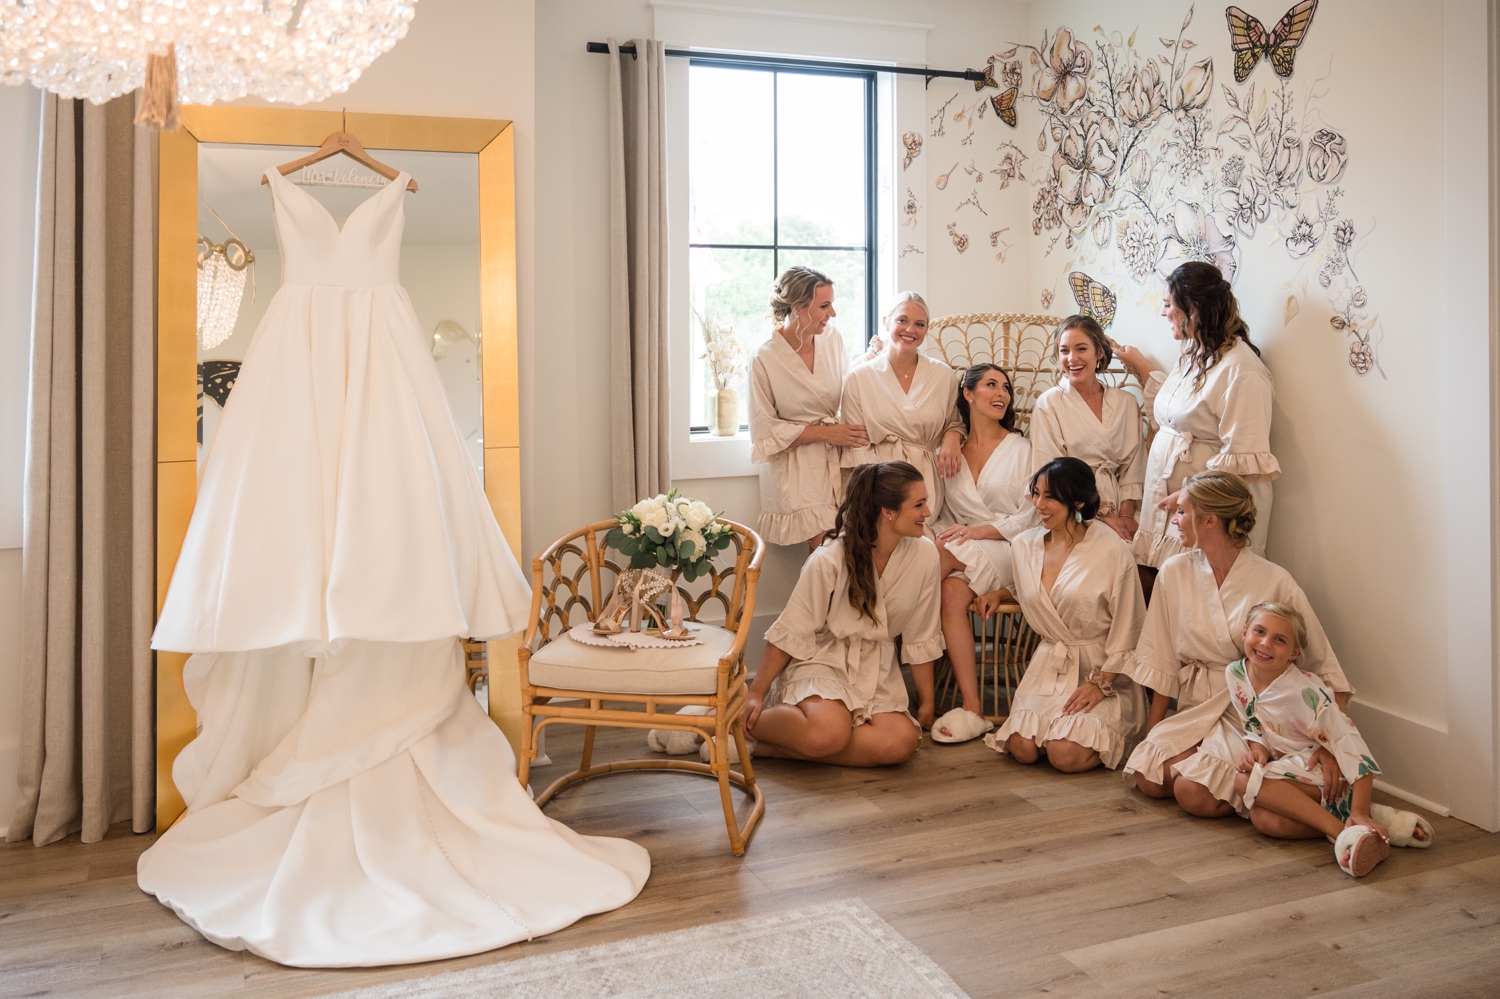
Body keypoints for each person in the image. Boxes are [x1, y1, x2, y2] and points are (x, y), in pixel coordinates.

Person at [138, 167, 648, 966]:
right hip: (304, 363)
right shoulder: (286, 189)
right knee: (311, 504)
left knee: (385, 505)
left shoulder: (390, 191)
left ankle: (374, 720)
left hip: (376, 363)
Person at [1118, 471, 1352, 806]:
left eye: (1182, 511)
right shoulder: (1174, 571)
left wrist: (1332, 748)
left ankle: (1268, 776)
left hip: (1249, 712)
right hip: (1195, 703)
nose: (1175, 519)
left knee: (1192, 793)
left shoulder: (1275, 580)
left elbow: (1324, 668)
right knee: (1150, 777)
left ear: (1209, 520)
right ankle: (1248, 779)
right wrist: (1151, 735)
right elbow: (1162, 660)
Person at [740, 461, 943, 767]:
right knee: (828, 733)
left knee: (901, 742)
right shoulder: (829, 559)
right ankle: (729, 718)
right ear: (888, 511)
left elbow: (921, 633)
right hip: (822, 659)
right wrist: (755, 692)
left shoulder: (926, 555)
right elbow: (793, 629)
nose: (928, 513)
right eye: (919, 504)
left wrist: (927, 702)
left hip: (876, 670)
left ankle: (755, 746)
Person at [1224, 603, 1433, 876]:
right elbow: (1252, 724)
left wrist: (1359, 808)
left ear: (1294, 653)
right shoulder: (1235, 674)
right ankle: (1374, 824)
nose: (1265, 644)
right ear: (1244, 632)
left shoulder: (1306, 694)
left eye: (1280, 640)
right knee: (1264, 820)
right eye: (1259, 632)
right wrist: (1258, 751)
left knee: (1244, 782)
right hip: (1290, 771)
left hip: (1325, 773)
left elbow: (1352, 747)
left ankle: (1349, 832)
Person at [1115, 262, 1279, 587]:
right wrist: (1141, 365)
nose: (1163, 314)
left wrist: (1189, 495)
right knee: (1156, 587)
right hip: (1167, 503)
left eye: (1167, 305)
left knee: (1196, 598)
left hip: (1207, 512)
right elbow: (1176, 411)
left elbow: (1242, 462)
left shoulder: (1242, 370)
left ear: (1193, 308)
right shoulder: (1194, 351)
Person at [983, 457, 1147, 773]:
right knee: (1022, 748)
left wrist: (1102, 683)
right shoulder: (1023, 546)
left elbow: (1132, 624)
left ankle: (1106, 730)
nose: (1038, 505)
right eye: (1035, 494)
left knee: (1064, 755)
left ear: (1078, 501)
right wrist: (1000, 594)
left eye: (1050, 497)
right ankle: (1055, 727)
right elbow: (1046, 594)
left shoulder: (1112, 550)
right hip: (1049, 665)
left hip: (1103, 668)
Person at [926, 364, 1039, 742]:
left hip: (1010, 547)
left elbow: (1033, 512)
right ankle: (974, 710)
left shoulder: (1022, 448)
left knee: (934, 558)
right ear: (968, 393)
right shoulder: (950, 449)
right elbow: (943, 512)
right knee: (949, 593)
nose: (1002, 394)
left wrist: (980, 531)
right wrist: (950, 437)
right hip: (961, 548)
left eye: (1006, 388)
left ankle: (880, 616)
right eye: (991, 385)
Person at [749, 266, 868, 551]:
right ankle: (820, 597)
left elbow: (850, 390)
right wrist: (827, 434)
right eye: (824, 306)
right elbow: (765, 430)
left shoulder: (833, 340)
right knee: (827, 549)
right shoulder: (764, 358)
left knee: (848, 551)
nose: (833, 314)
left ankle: (829, 598)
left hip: (838, 459)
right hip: (796, 466)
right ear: (798, 307)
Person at [839, 293, 965, 526]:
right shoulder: (859, 378)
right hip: (876, 483)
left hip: (924, 482)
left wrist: (952, 436)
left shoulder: (943, 375)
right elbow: (855, 447)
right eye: (902, 320)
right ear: (886, 322)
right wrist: (876, 496)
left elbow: (955, 421)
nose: (910, 330)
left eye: (920, 324)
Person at [1030, 315, 1145, 544]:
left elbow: (1134, 464)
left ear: (1099, 352)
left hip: (1122, 503)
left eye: (1081, 348)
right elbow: (1052, 472)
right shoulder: (1049, 403)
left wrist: (1125, 515)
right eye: (1064, 351)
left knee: (1142, 556)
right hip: (1070, 505)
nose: (1072, 358)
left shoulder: (1125, 403)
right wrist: (1103, 512)